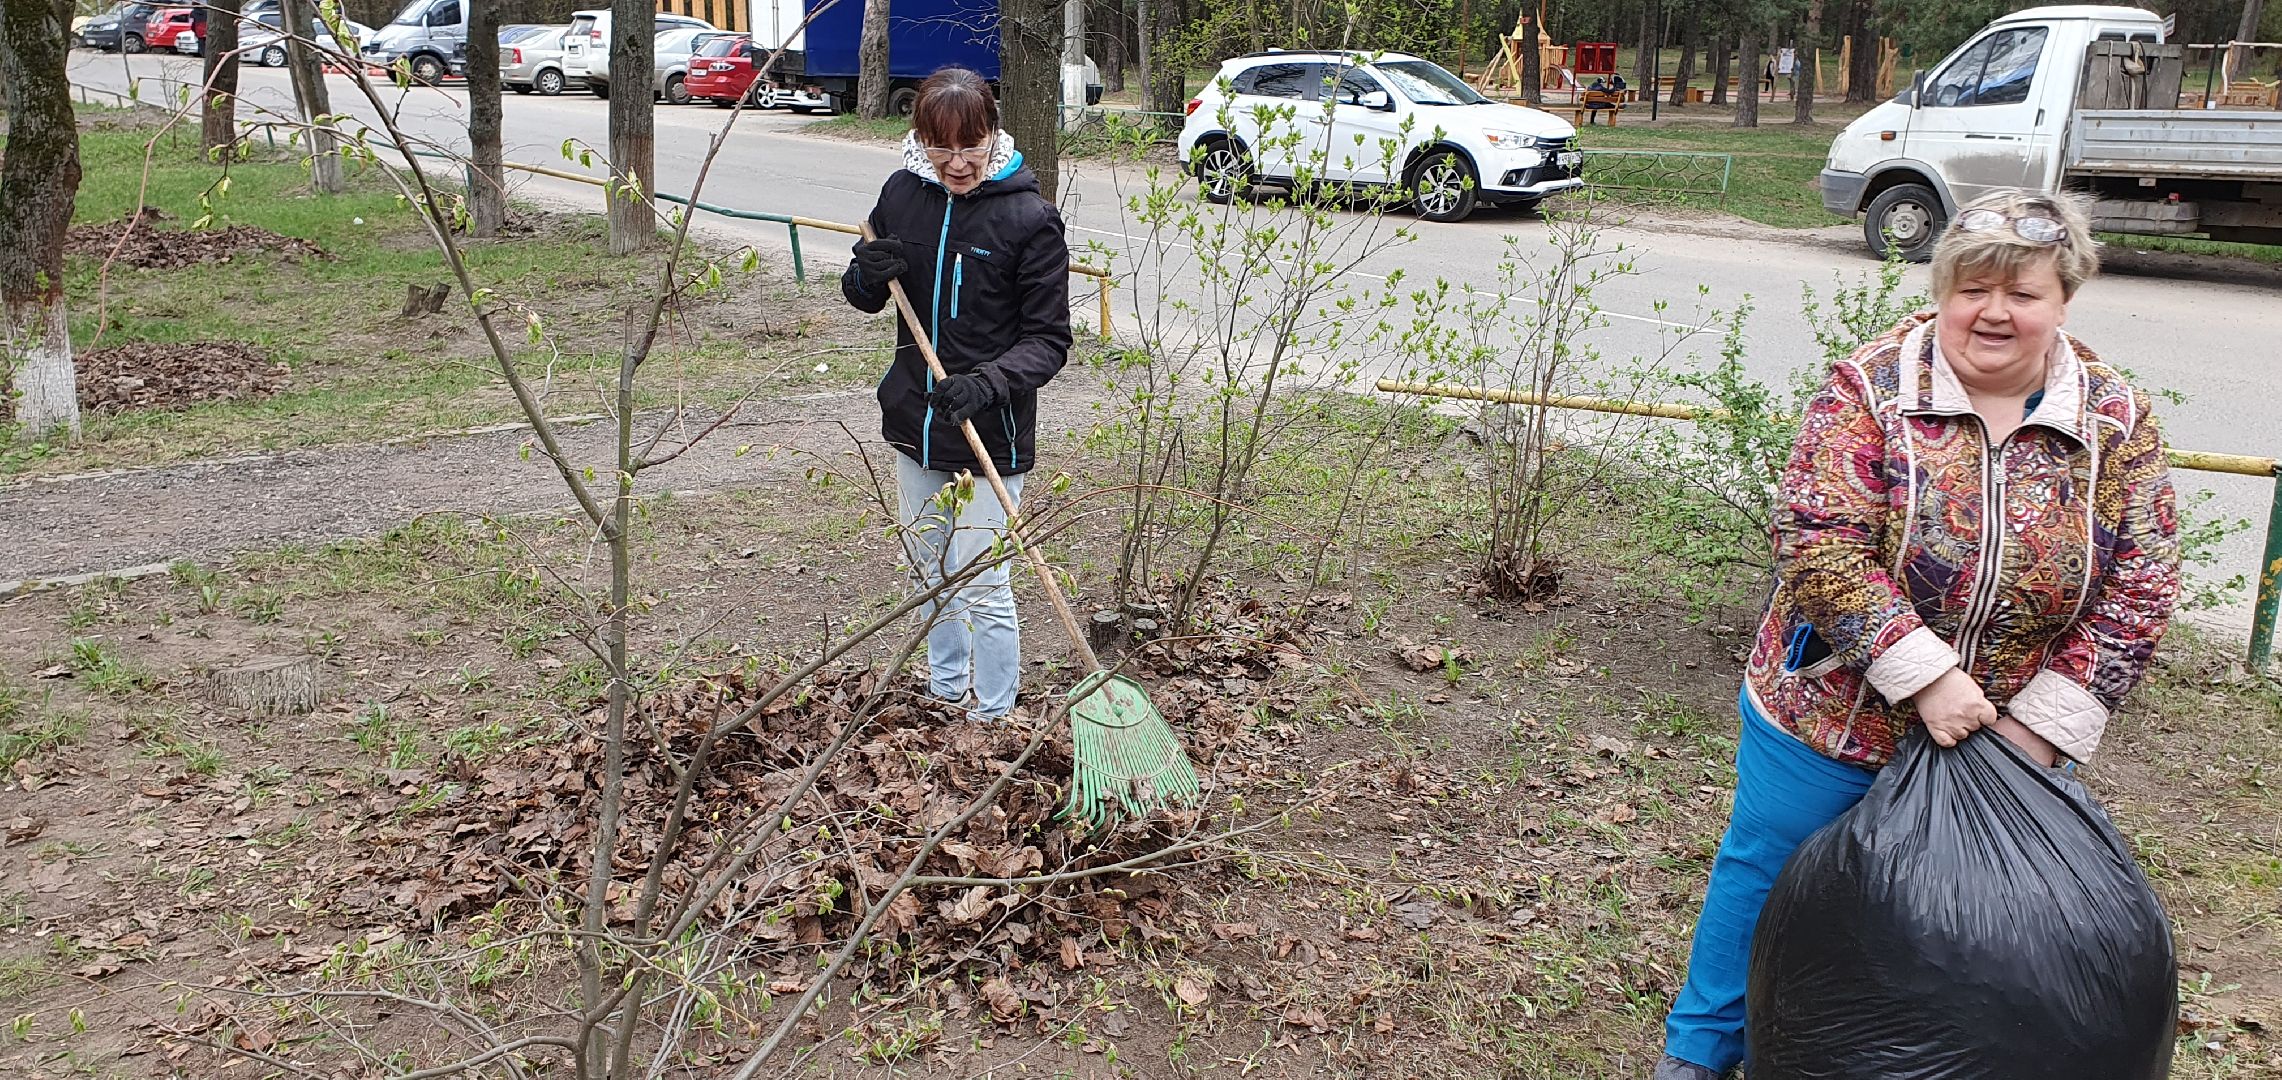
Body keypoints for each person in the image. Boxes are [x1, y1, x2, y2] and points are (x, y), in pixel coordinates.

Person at [1652, 189, 2182, 1080]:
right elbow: (1817, 535)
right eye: (1973, 289)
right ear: (1942, 291)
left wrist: (2041, 727)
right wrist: (1924, 676)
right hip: (1834, 718)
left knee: (1968, 931)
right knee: (1766, 881)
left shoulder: (2115, 419)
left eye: (2023, 293)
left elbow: (2145, 577)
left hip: (2010, 735)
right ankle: (1699, 1054)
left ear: (2065, 300)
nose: (1994, 312)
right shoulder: (1871, 388)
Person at [841, 66, 1072, 720]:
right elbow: (865, 293)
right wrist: (866, 275)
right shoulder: (901, 194)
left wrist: (986, 384)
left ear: (993, 134)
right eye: (940, 148)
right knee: (929, 576)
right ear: (920, 140)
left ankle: (992, 715)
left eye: (971, 146)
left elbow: (1049, 339)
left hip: (989, 433)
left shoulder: (1029, 219)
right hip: (915, 423)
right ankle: (945, 693)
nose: (958, 163)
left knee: (983, 584)